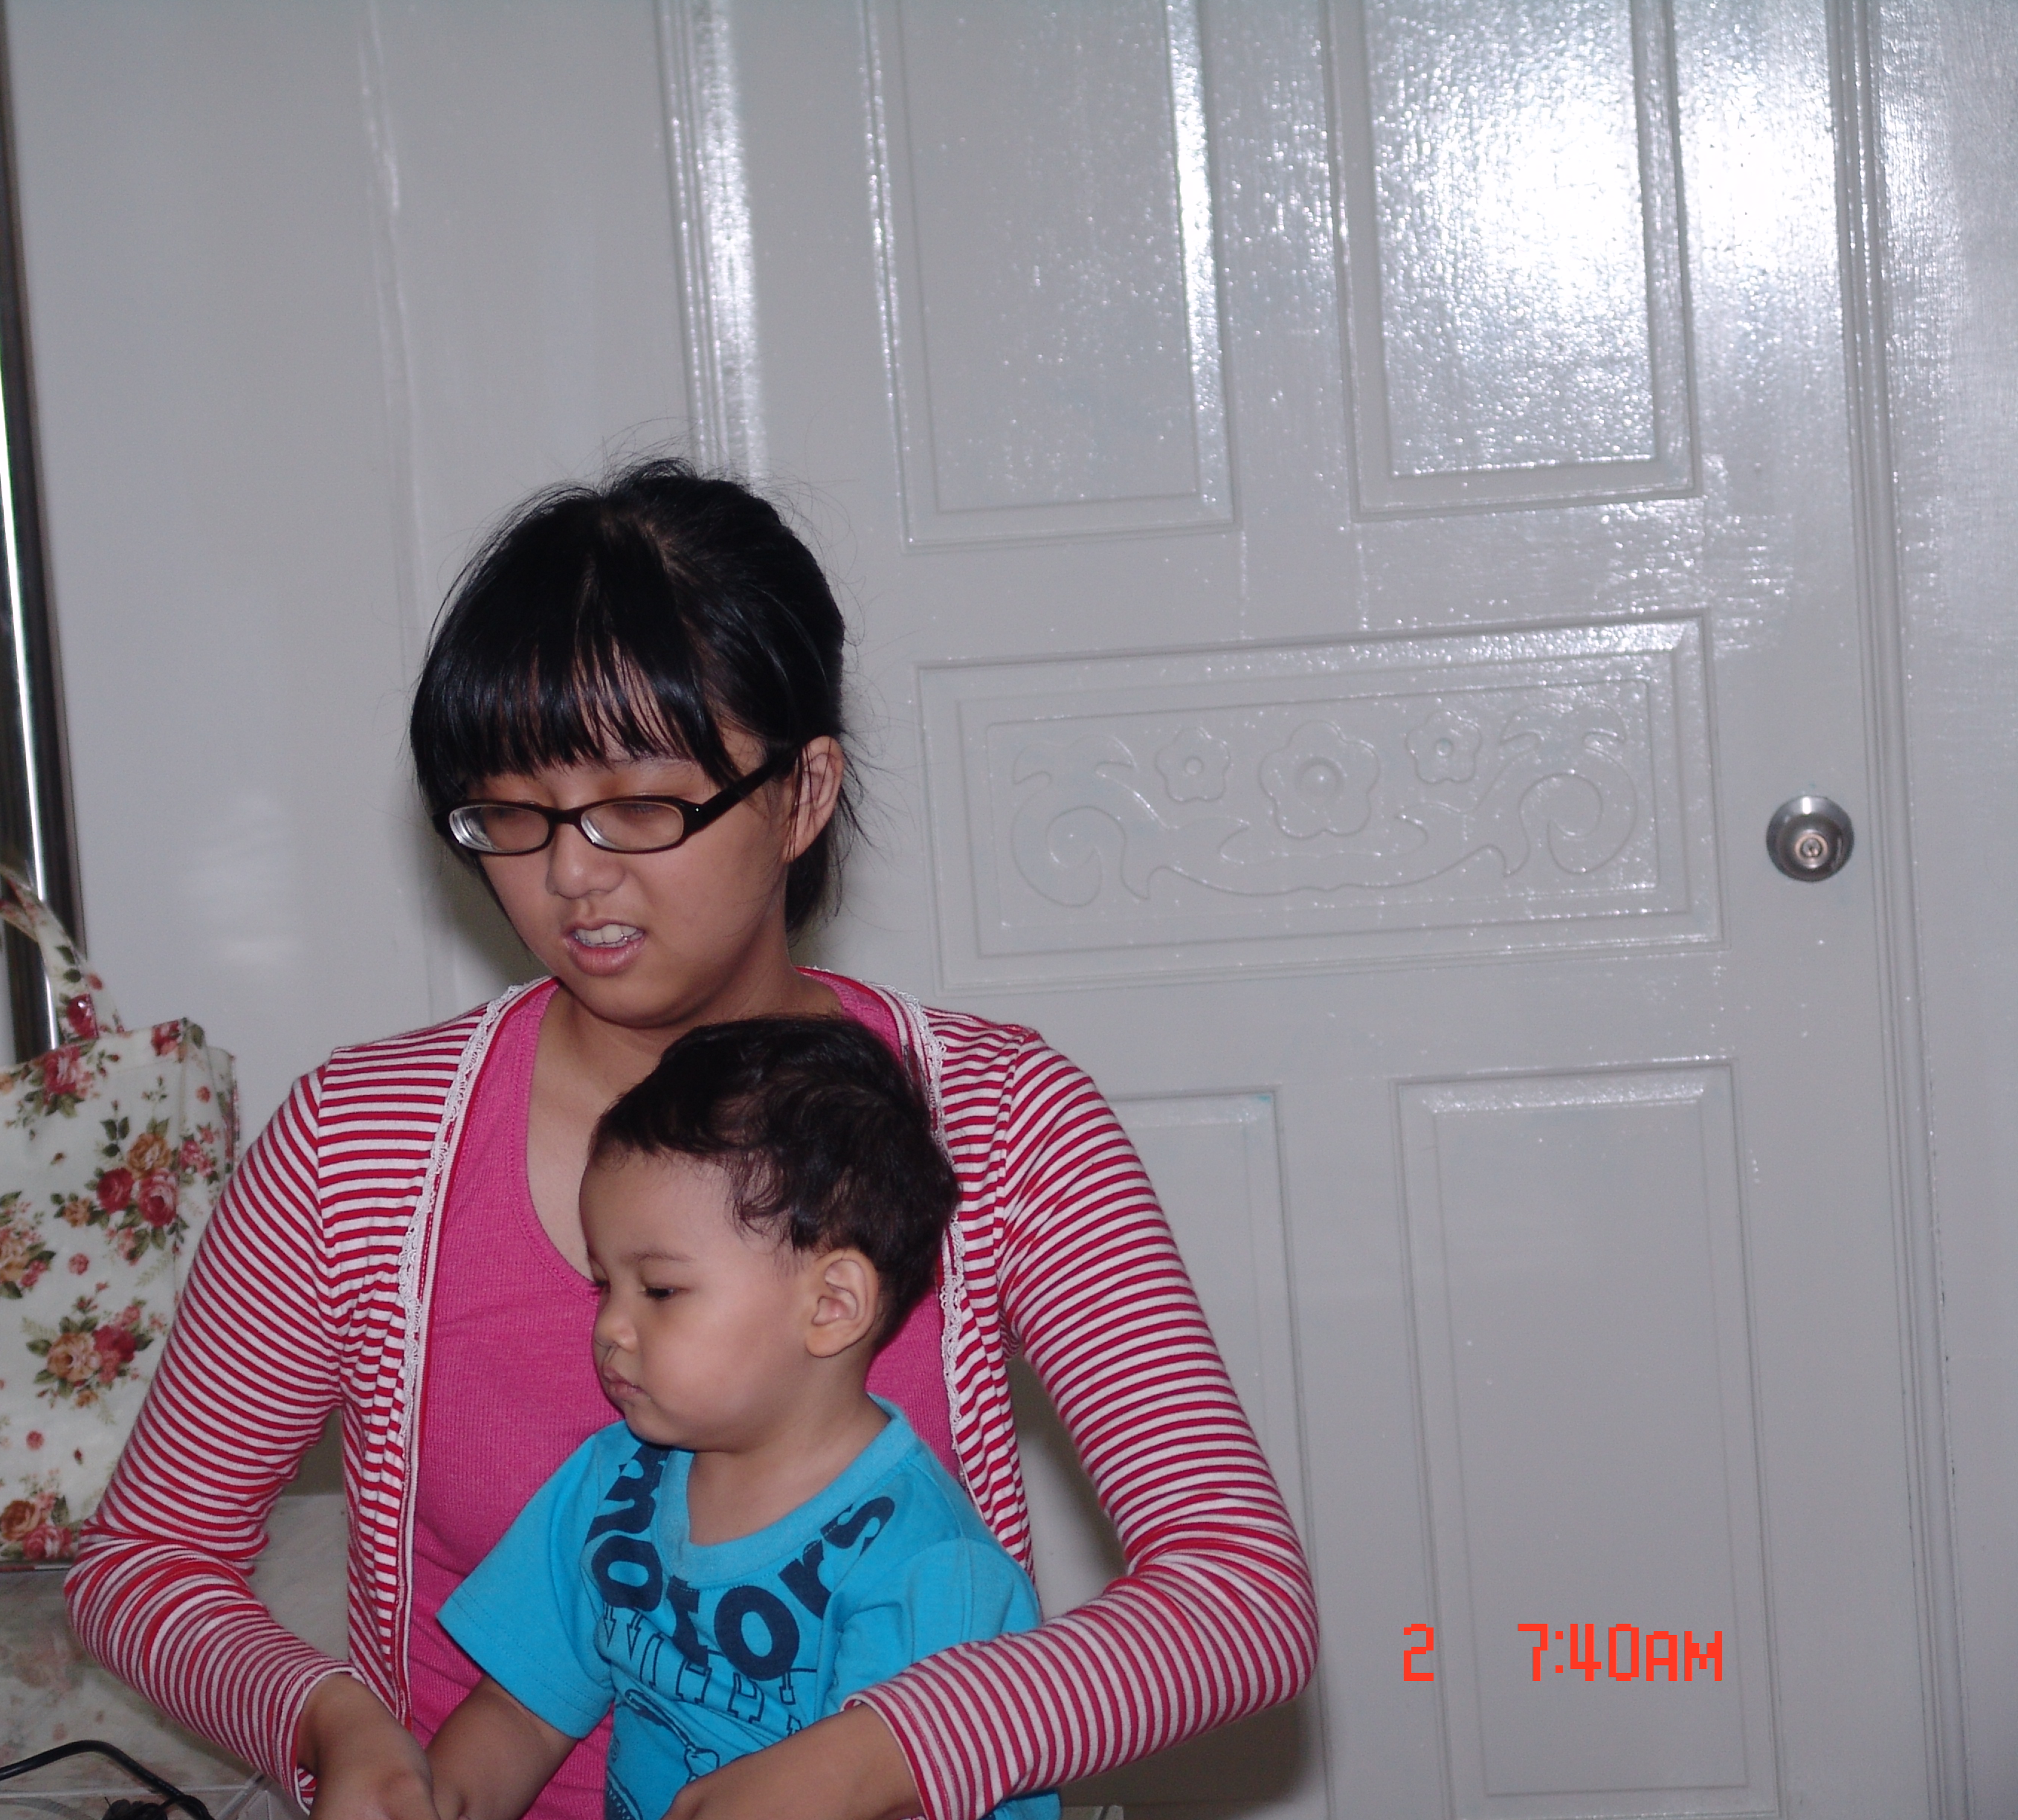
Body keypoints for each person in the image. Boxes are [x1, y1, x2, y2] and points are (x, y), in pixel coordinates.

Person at [66, 458, 1318, 1820]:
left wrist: (872, 1758)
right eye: (511, 812)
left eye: (640, 805)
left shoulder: (1000, 1120)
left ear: (801, 793)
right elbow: (145, 1562)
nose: (569, 873)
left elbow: (1239, 1600)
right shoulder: (359, 1149)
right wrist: (331, 1721)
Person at [430, 1016, 1054, 1820]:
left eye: (659, 1290)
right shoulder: (613, 1484)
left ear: (831, 1306)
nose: (611, 1328)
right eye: (604, 1286)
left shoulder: (928, 1572)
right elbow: (519, 1716)